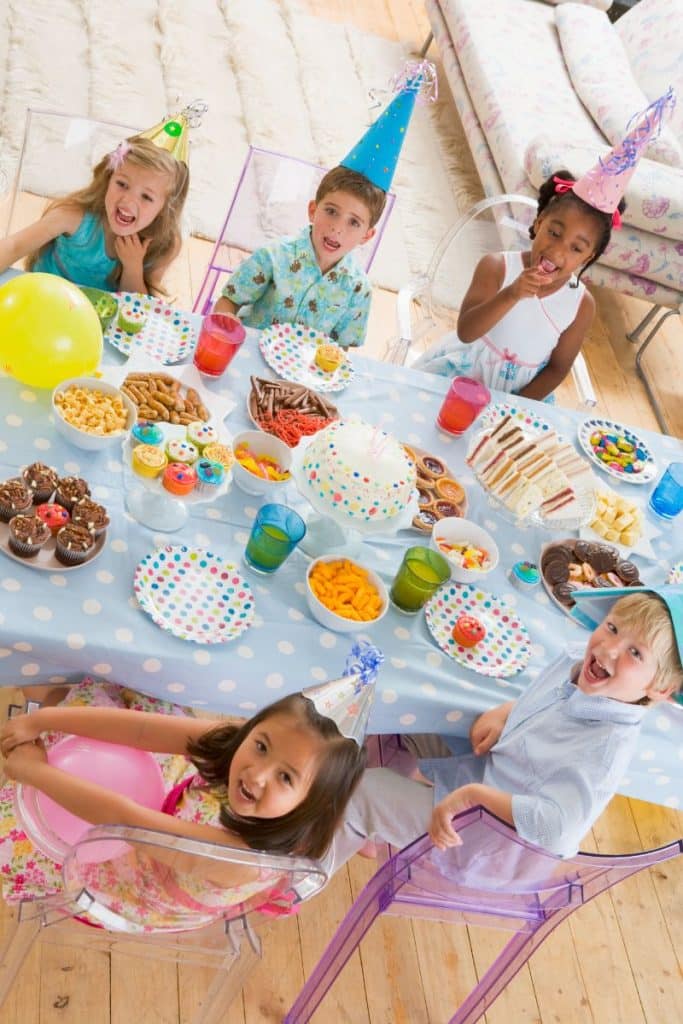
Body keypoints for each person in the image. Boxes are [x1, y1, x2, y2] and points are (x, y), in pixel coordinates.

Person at [324, 588, 683, 874]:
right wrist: (508, 711)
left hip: (483, 840)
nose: (610, 648)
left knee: (360, 791)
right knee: (409, 719)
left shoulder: (605, 751)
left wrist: (474, 796)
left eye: (635, 653)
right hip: (486, 772)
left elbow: (558, 830)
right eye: (613, 627)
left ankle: (297, 882)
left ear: (660, 689)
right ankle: (366, 828)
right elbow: (551, 701)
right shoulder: (581, 664)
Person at [0, 643, 379, 910]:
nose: (257, 773)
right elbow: (143, 731)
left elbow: (122, 819)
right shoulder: (242, 742)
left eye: (286, 778)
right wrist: (41, 720)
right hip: (165, 811)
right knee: (119, 691)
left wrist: (34, 772)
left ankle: (35, 692)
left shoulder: (242, 858)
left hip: (138, 880)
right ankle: (37, 694)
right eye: (261, 746)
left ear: (313, 801)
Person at [414, 91, 676, 400]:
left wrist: (512, 408)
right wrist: (512, 293)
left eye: (576, 248)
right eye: (554, 232)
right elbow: (466, 332)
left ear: (589, 256)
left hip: (519, 397)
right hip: (459, 377)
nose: (558, 251)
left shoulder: (581, 306)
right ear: (539, 223)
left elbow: (557, 368)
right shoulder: (497, 267)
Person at [213, 59, 438, 348]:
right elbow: (229, 301)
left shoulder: (358, 290)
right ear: (312, 210)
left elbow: (342, 349)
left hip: (299, 383)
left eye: (354, 222)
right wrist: (227, 330)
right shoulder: (273, 257)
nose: (337, 228)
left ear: (367, 235)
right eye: (331, 211)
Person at [0, 104, 203, 296]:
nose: (128, 201)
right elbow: (14, 245)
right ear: (108, 178)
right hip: (44, 296)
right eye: (122, 184)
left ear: (166, 207)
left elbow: (139, 308)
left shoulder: (164, 244)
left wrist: (133, 267)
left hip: (99, 320)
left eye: (147, 197)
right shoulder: (73, 216)